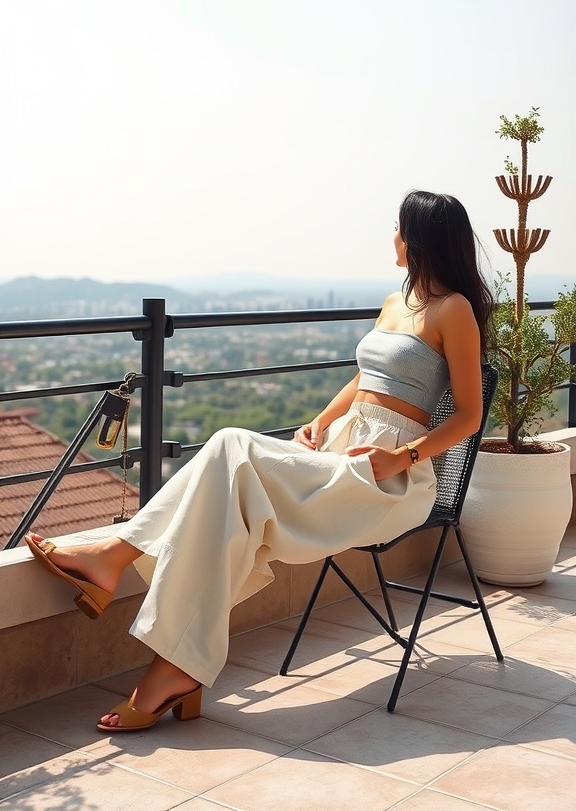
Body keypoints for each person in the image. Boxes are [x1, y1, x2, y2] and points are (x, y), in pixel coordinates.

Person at [26, 189, 493, 733]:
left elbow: (469, 415)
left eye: (398, 228)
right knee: (228, 508)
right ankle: (173, 665)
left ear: (418, 239)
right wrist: (320, 421)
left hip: (390, 478)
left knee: (230, 445)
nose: (392, 236)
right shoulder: (396, 302)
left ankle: (116, 559)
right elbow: (364, 381)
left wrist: (401, 457)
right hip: (343, 450)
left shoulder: (454, 310)